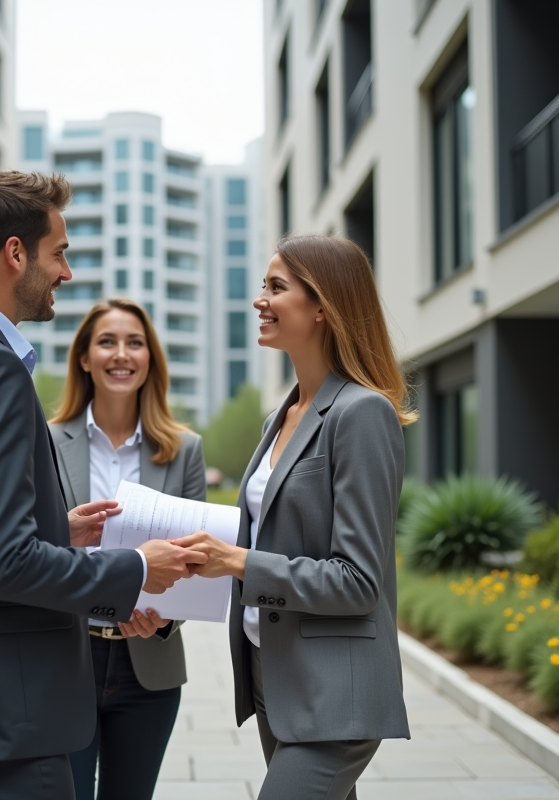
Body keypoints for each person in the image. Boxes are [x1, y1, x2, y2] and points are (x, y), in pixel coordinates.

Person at [0, 168, 205, 800]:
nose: (66, 274)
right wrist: (136, 567)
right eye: (60, 254)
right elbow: (6, 565)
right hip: (4, 713)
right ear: (15, 253)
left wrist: (57, 529)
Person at [173, 235, 415, 800]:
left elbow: (358, 582)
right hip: (273, 674)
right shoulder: (281, 418)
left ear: (323, 306)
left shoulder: (361, 413)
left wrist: (236, 560)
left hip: (333, 689)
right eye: (264, 284)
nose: (260, 299)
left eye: (276, 287)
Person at [48, 299, 207, 800]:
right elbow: (32, 547)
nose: (122, 354)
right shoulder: (45, 441)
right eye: (107, 341)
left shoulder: (185, 450)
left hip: (149, 670)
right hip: (62, 658)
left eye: (135, 342)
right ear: (84, 358)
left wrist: (165, 618)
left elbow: (198, 559)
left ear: (150, 359)